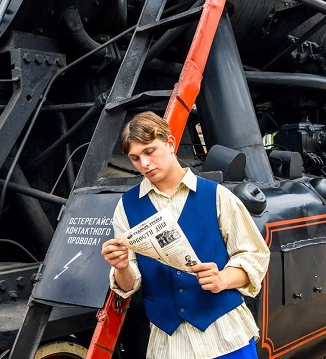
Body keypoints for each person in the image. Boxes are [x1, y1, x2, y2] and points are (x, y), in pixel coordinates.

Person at [101, 111, 270, 359]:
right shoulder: (126, 207)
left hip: (226, 335)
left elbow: (255, 255)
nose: (144, 164)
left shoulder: (216, 195)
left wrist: (223, 278)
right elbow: (129, 284)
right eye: (135, 158)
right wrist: (122, 266)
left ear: (170, 143)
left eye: (149, 151)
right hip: (169, 344)